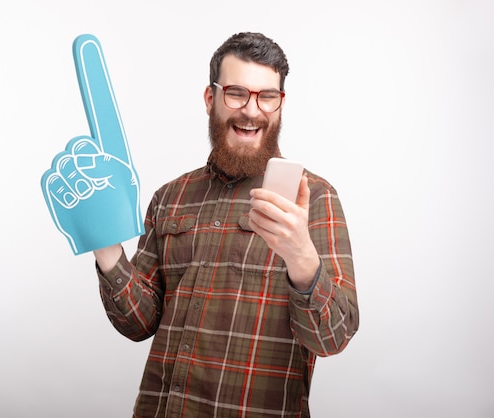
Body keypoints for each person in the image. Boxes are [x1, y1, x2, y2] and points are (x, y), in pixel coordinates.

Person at [93, 32, 359, 418]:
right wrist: (105, 245)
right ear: (210, 98)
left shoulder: (314, 199)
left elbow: (332, 338)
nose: (252, 110)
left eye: (267, 96)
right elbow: (139, 323)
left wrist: (301, 255)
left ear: (281, 104)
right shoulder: (170, 197)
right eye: (236, 92)